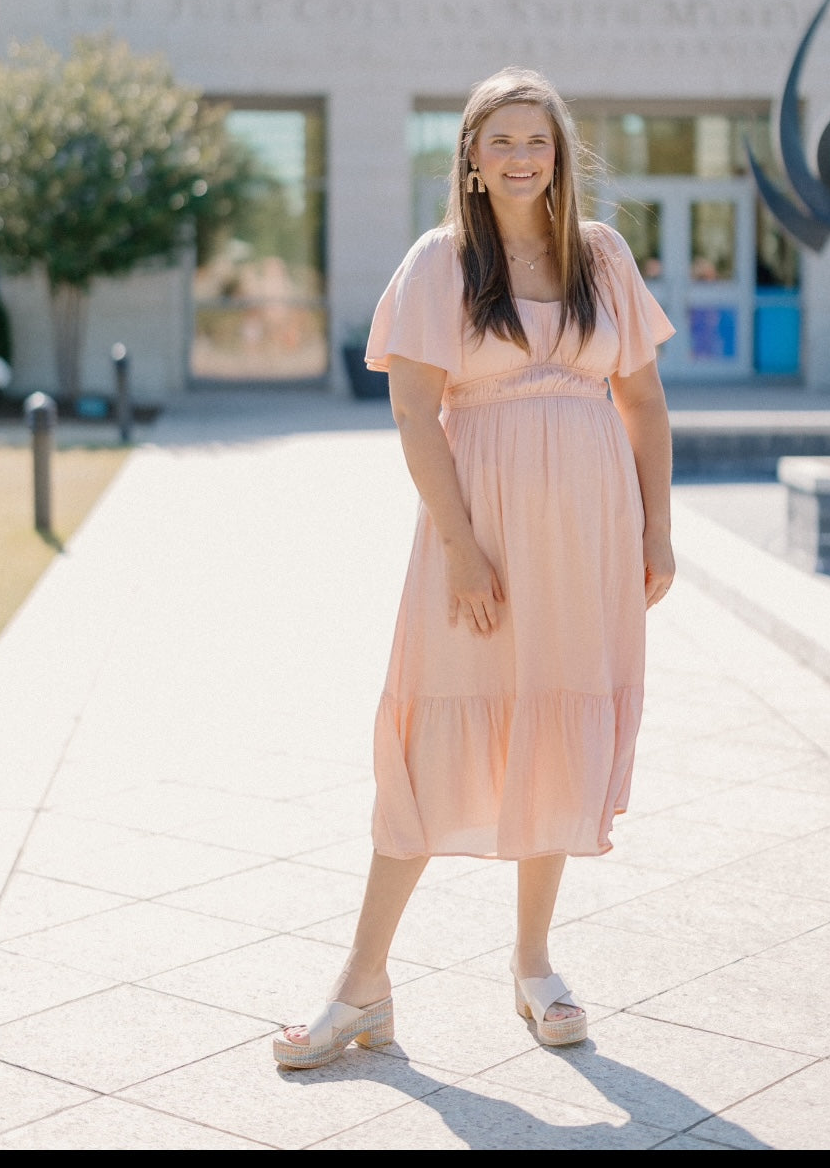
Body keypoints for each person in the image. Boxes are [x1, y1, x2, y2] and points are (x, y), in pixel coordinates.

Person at [273, 65, 675, 1069]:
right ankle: (361, 987)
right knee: (427, 738)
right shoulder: (438, 263)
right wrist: (460, 549)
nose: (521, 157)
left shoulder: (602, 258)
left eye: (536, 139)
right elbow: (414, 415)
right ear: (470, 156)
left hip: (587, 544)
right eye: (500, 141)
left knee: (555, 723)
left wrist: (656, 530)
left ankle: (534, 966)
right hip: (478, 544)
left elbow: (643, 406)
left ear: (559, 152)